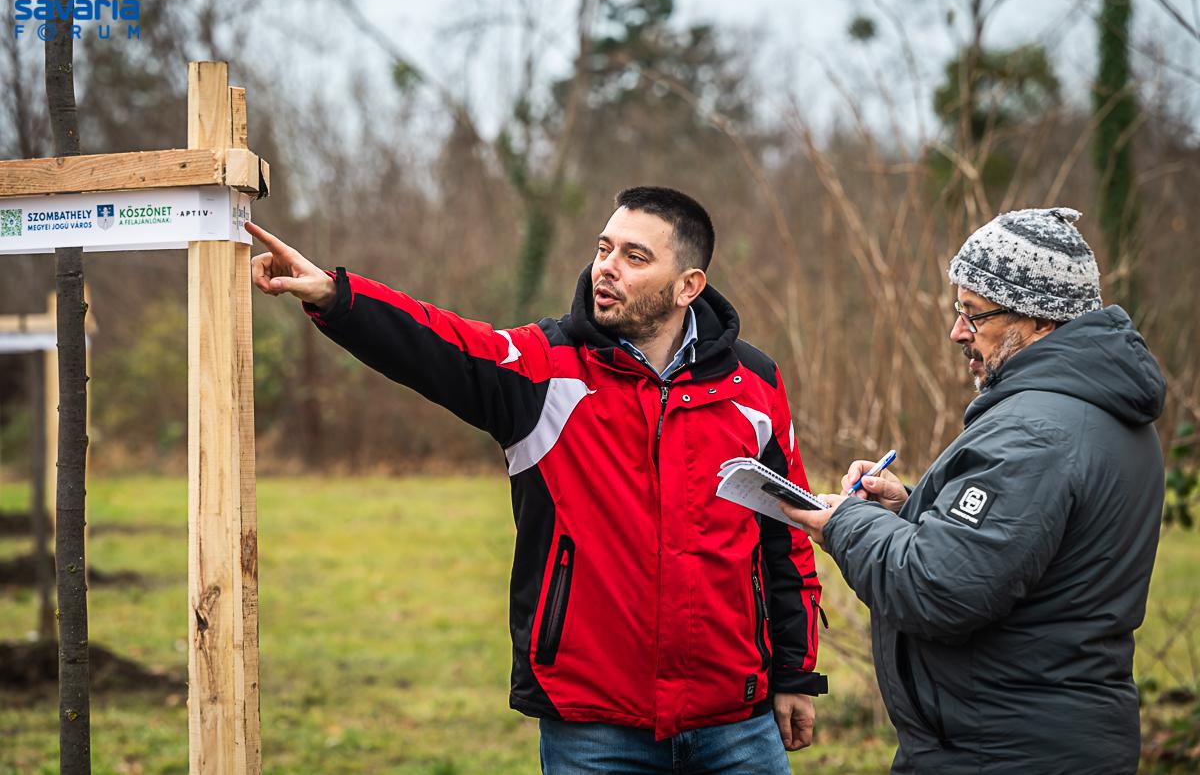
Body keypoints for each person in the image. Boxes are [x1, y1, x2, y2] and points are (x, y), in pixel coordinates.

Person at [247, 186, 827, 773]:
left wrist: (796, 673)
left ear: (688, 286)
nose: (607, 268)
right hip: (594, 729)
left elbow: (787, 538)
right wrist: (335, 295)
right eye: (604, 248)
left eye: (635, 256)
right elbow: (437, 344)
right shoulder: (544, 369)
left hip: (737, 722)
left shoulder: (755, 384)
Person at [782, 207, 1165, 774]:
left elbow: (939, 588)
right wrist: (909, 508)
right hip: (1047, 737)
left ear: (1038, 319)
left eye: (973, 313)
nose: (957, 332)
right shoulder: (1096, 411)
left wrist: (847, 523)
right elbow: (1027, 545)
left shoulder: (1036, 432)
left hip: (1002, 748)